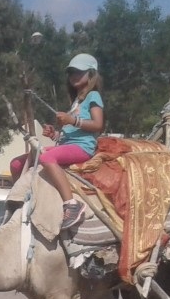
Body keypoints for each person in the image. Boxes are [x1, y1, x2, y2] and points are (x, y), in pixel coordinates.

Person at [9, 53, 105, 230]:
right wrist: (54, 134)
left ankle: (72, 205)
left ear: (91, 74)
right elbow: (69, 133)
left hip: (82, 148)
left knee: (46, 158)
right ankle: (19, 201)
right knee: (16, 164)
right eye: (71, 73)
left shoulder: (93, 97)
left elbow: (98, 125)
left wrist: (72, 120)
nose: (73, 76)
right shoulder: (76, 102)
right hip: (67, 145)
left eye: (78, 72)